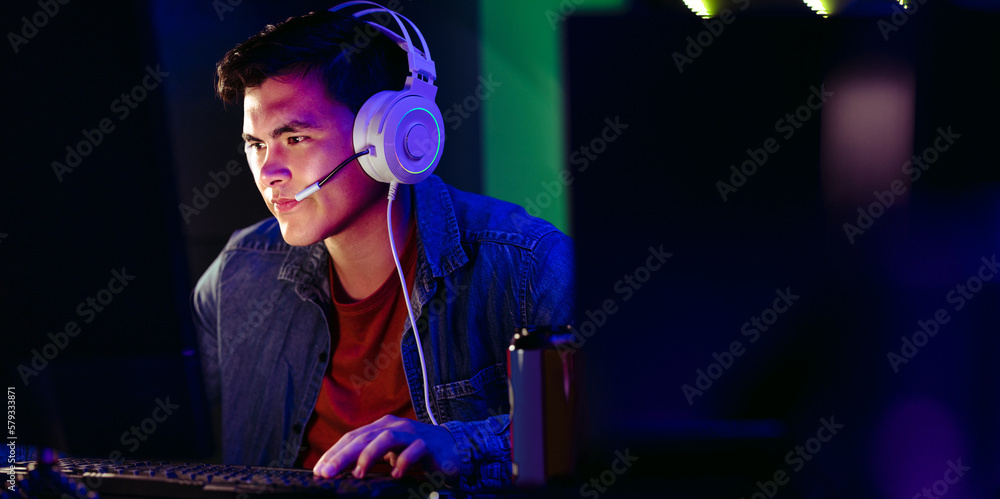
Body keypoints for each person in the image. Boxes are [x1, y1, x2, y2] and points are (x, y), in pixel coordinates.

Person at [191, 3, 574, 492]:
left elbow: (608, 430)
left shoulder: (526, 265)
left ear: (392, 136)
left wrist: (461, 446)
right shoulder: (240, 271)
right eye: (256, 144)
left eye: (296, 137)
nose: (269, 173)